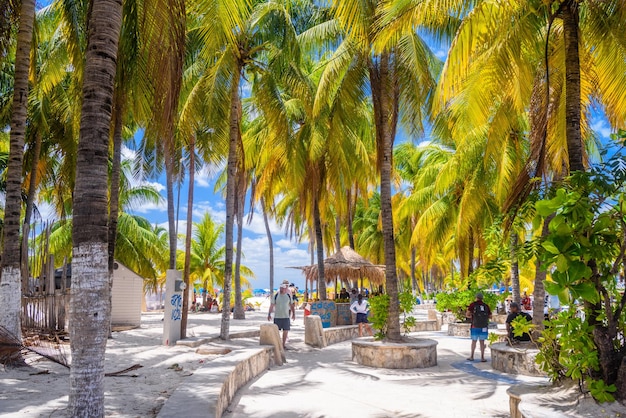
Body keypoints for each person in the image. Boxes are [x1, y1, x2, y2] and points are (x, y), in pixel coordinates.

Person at [268, 281, 296, 348]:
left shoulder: (288, 296)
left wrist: (293, 314)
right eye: (280, 288)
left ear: (285, 289)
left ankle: (283, 344)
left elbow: (292, 305)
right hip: (277, 317)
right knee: (276, 331)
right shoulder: (276, 296)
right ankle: (277, 344)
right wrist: (269, 314)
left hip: (286, 317)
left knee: (285, 331)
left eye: (283, 288)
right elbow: (271, 305)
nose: (281, 289)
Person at [466, 292, 491, 362]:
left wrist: (472, 316)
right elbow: (490, 316)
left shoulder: (473, 305)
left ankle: (472, 356)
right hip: (484, 326)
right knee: (482, 342)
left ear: (476, 297)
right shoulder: (486, 306)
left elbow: (467, 314)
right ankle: (482, 357)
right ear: (482, 298)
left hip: (475, 326)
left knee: (474, 341)